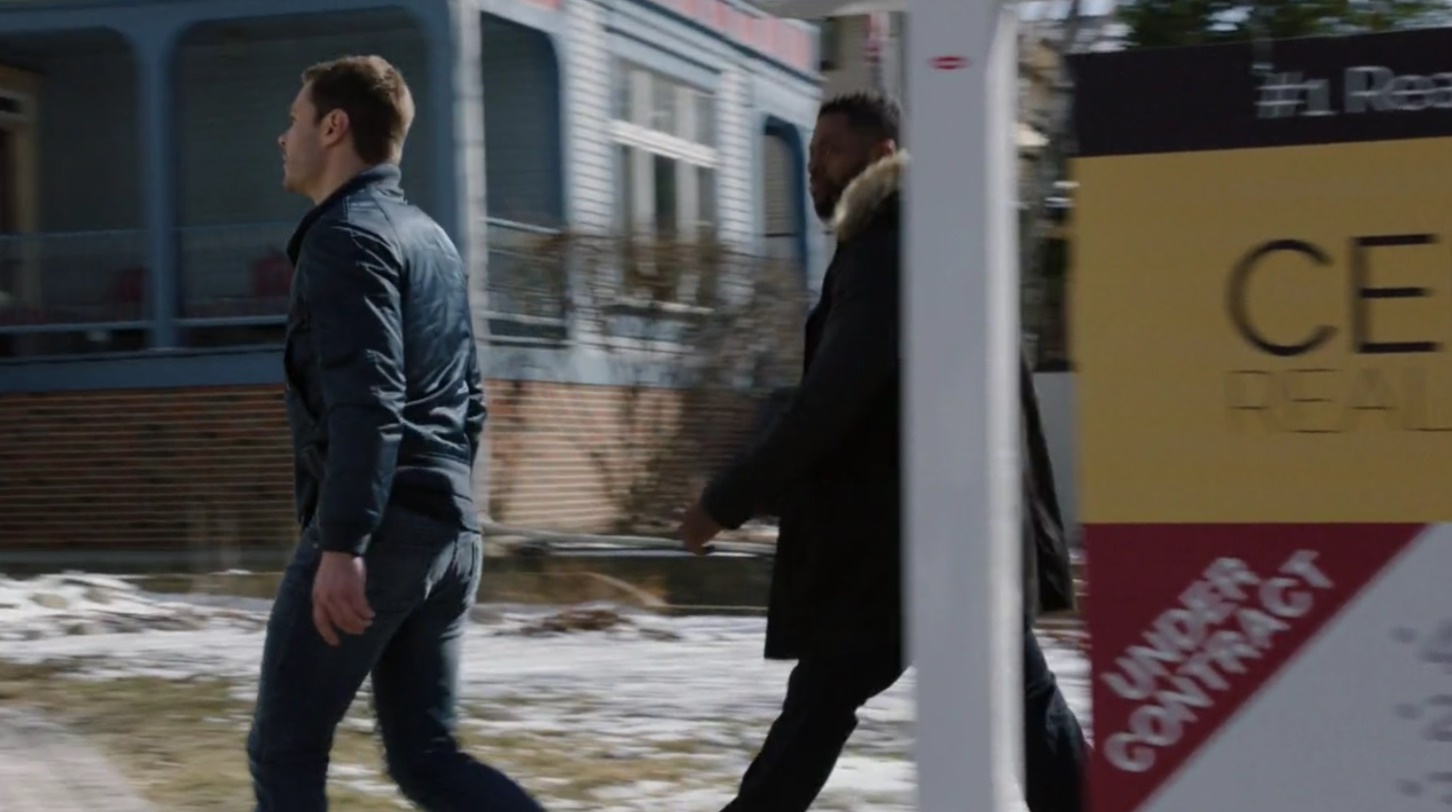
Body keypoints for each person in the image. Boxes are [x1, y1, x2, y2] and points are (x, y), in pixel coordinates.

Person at [677, 90, 1087, 812]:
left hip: (905, 546)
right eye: (810, 154)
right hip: (933, 538)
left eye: (830, 152)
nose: (814, 167)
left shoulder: (886, 250)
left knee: (824, 707)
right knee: (998, 705)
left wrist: (724, 501)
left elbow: (830, 401)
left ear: (882, 156)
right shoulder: (909, 238)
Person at [246, 55, 543, 812]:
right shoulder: (431, 238)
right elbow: (469, 398)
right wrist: (443, 506)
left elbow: (368, 401)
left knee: (285, 750)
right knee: (425, 758)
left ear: (334, 127)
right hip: (450, 530)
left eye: (294, 119)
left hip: (377, 532)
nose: (283, 137)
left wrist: (345, 542)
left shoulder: (344, 238)